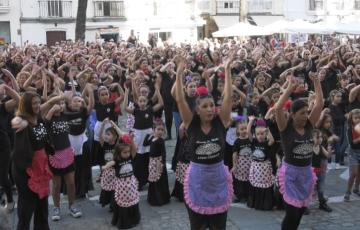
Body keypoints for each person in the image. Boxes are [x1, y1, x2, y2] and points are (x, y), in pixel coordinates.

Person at [174, 53, 234, 230]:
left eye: (212, 105)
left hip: (217, 179)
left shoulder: (220, 122)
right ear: (197, 110)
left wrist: (228, 70)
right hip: (197, 180)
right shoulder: (191, 125)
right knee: (197, 226)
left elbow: (228, 98)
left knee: (219, 226)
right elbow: (179, 99)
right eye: (205, 106)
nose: (210, 109)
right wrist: (178, 73)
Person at [275, 72, 324, 230]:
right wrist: (289, 88)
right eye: (301, 113)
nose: (305, 116)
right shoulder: (286, 128)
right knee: (292, 213)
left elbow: (319, 104)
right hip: (290, 175)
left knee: (301, 211)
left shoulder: (309, 125)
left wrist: (316, 82)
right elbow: (277, 109)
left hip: (306, 174)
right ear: (293, 114)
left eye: (306, 113)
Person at [11, 91, 53, 230]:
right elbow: (15, 120)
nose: (37, 105)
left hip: (41, 168)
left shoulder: (38, 118)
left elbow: (50, 104)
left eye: (38, 102)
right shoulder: (22, 122)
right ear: (27, 105)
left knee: (42, 208)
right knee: (26, 209)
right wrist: (21, 121)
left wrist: (61, 98)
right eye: (34, 103)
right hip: (26, 171)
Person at [42, 95, 82, 221]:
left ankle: (72, 206)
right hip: (55, 155)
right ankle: (56, 208)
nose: (60, 105)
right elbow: (44, 125)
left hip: (67, 153)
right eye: (57, 103)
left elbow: (79, 108)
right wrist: (51, 110)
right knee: (56, 185)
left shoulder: (66, 115)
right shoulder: (47, 118)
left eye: (61, 102)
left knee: (70, 183)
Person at [102, 135, 141, 229]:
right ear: (119, 153)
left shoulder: (131, 157)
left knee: (132, 201)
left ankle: (133, 219)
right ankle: (123, 220)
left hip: (131, 184)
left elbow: (134, 149)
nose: (127, 154)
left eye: (128, 152)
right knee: (123, 203)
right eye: (125, 152)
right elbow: (111, 163)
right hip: (122, 186)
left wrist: (131, 140)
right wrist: (105, 166)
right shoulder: (117, 160)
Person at [0, 83, 19, 212]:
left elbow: (19, 100)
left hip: (2, 146)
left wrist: (7, 88)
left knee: (2, 175)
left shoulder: (2, 107)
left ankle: (10, 201)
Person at [144, 122, 170, 206]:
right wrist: (149, 135)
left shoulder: (161, 141)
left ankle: (160, 198)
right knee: (153, 179)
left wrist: (162, 163)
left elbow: (163, 153)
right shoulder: (152, 139)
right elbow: (145, 143)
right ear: (154, 130)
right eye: (158, 129)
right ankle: (152, 197)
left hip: (158, 162)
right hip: (152, 162)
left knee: (159, 180)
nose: (160, 131)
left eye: (162, 130)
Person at [310, 129, 332, 212]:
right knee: (309, 190)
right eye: (317, 137)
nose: (320, 139)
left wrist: (329, 150)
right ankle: (304, 206)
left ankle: (322, 204)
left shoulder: (321, 147)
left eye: (321, 137)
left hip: (319, 171)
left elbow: (328, 156)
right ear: (311, 138)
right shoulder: (309, 147)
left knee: (321, 188)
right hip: (310, 173)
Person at [344, 109, 360, 201]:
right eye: (356, 118)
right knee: (354, 173)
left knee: (359, 173)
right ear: (351, 119)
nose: (358, 119)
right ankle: (348, 191)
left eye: (359, 118)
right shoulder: (350, 129)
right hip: (353, 152)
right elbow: (352, 143)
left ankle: (356, 189)